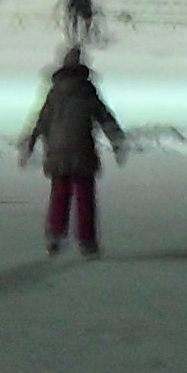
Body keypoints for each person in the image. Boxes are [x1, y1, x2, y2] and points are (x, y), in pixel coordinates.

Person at [18, 44, 127, 257]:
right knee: (84, 196)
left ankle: (55, 235)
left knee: (60, 193)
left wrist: (29, 144)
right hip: (82, 149)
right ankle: (87, 241)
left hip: (57, 152)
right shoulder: (87, 91)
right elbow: (104, 117)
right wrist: (117, 139)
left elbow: (42, 120)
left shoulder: (54, 92)